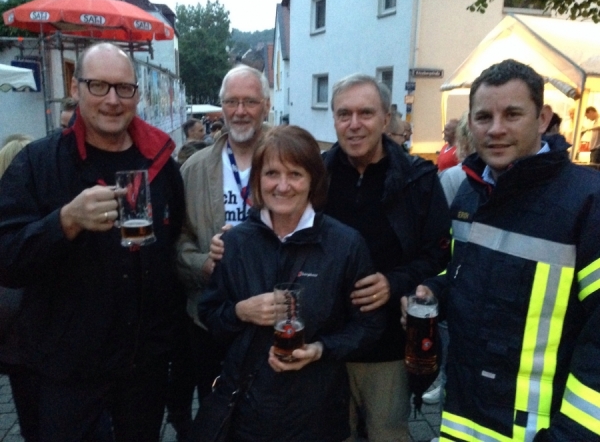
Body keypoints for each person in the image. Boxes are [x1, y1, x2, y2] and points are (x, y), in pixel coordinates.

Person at [0, 42, 185, 442]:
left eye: (124, 88)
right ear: (75, 86)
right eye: (99, 86)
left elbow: (172, 246)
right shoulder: (37, 163)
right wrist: (65, 222)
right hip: (67, 371)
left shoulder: (161, 163)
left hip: (143, 365)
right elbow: (6, 258)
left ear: (137, 93)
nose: (113, 100)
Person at [411, 59, 600, 441]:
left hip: (541, 431)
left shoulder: (588, 202)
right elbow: (465, 272)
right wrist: (436, 288)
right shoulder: (471, 191)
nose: (496, 130)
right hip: (464, 419)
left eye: (512, 114)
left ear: (543, 118)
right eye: (484, 117)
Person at [196, 125, 386, 441]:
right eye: (272, 173)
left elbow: (369, 327)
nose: (282, 186)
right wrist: (240, 311)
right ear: (257, 179)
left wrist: (320, 349)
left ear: (313, 180)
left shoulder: (345, 245)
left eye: (295, 174)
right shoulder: (237, 243)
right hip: (247, 413)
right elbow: (211, 315)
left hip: (316, 412)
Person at [323, 74, 451, 442]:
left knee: (387, 434)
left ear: (385, 118)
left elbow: (439, 257)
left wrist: (394, 282)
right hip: (329, 341)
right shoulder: (317, 175)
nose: (354, 123)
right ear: (333, 119)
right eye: (344, 114)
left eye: (366, 113)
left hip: (390, 347)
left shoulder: (418, 180)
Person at [171, 64, 271, 440]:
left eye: (250, 101)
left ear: (265, 105)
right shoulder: (193, 168)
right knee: (216, 414)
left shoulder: (288, 158)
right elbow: (177, 240)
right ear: (221, 107)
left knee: (267, 414)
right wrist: (203, 263)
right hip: (209, 317)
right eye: (232, 101)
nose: (240, 110)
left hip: (270, 311)